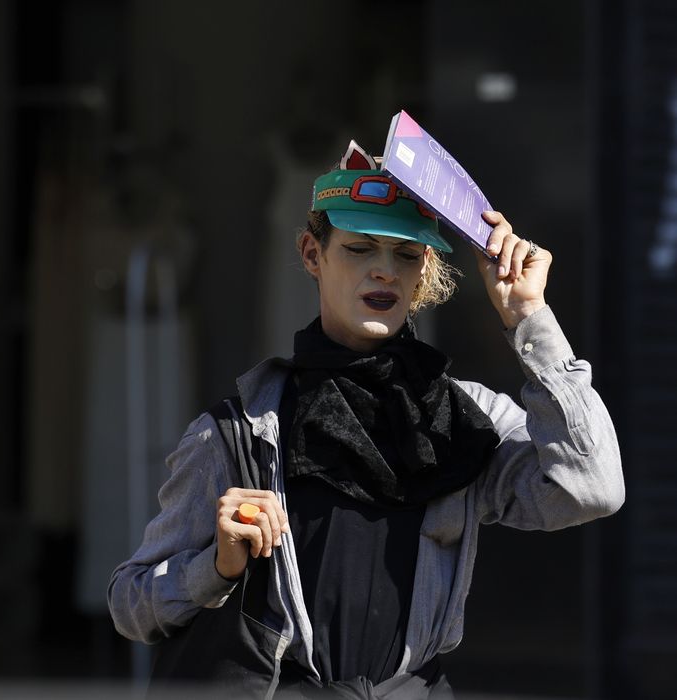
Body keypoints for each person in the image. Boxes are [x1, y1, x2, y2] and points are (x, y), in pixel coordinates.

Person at [107, 141, 624, 699]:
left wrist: (530, 317)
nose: (384, 271)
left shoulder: (466, 420)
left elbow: (591, 490)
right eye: (359, 249)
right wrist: (217, 566)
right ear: (312, 254)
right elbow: (131, 607)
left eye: (405, 255)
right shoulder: (238, 431)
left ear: (424, 268)